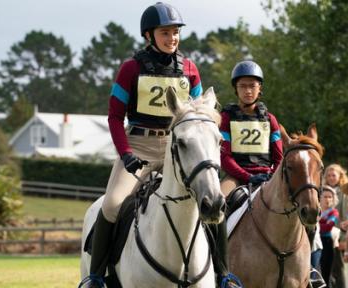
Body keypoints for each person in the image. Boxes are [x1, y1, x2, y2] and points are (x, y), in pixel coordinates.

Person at [79, 3, 238, 287]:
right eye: (165, 32)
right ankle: (96, 276)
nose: (172, 38)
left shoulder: (189, 69)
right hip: (138, 146)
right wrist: (125, 154)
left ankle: (223, 275)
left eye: (175, 33)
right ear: (149, 35)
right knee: (113, 205)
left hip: (177, 150)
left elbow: (199, 115)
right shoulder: (130, 68)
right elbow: (115, 117)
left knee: (212, 199)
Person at [219, 60, 283, 197]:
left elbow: (279, 157)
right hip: (235, 177)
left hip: (267, 175)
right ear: (235, 88)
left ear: (259, 88)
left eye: (252, 86)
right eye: (242, 86)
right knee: (218, 201)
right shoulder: (226, 118)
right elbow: (224, 157)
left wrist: (273, 175)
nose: (248, 91)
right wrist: (248, 177)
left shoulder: (271, 119)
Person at [323, 164, 348, 288]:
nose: (331, 178)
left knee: (338, 269)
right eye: (328, 175)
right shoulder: (321, 190)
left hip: (337, 235)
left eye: (334, 175)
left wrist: (344, 239)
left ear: (340, 176)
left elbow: (344, 217)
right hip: (323, 234)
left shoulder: (343, 193)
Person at [318, 185, 340, 284]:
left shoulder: (334, 212)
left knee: (326, 274)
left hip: (326, 243)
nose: (327, 199)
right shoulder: (315, 211)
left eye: (330, 197)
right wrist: (322, 223)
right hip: (313, 243)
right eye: (325, 196)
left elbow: (328, 227)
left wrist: (316, 224)